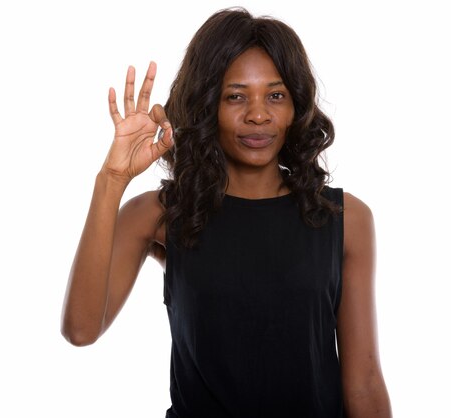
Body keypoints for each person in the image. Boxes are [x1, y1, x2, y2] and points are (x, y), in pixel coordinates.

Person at [61, 7, 392, 417]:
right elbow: (80, 329)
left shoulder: (345, 218)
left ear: (296, 107)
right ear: (207, 106)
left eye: (276, 95)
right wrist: (111, 178)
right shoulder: (161, 214)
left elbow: (364, 382)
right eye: (235, 96)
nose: (258, 114)